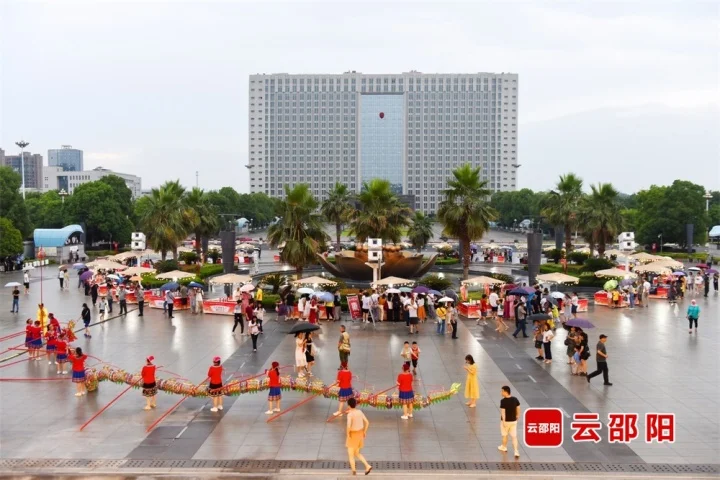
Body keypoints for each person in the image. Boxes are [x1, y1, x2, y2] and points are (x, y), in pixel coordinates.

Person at [345, 397, 372, 476]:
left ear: (349, 405)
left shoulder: (350, 414)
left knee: (350, 454)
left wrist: (347, 434)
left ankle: (353, 471)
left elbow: (349, 426)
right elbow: (367, 422)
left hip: (352, 435)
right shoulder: (359, 412)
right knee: (357, 453)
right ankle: (367, 466)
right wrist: (364, 432)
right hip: (360, 434)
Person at [498, 386, 521, 458]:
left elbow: (503, 412)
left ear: (505, 392)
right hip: (513, 421)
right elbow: (518, 407)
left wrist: (504, 421)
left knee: (505, 435)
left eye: (502, 391)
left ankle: (504, 447)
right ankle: (516, 451)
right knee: (514, 437)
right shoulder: (515, 399)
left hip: (506, 422)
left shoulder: (503, 401)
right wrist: (517, 415)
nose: (501, 392)